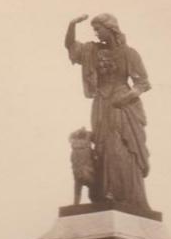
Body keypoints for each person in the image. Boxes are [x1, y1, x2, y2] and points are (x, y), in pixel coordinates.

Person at [64, 13, 152, 212]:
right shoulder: (92, 51)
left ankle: (122, 193)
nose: (96, 33)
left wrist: (127, 97)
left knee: (118, 148)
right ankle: (104, 193)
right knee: (102, 146)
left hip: (122, 106)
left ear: (110, 28)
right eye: (94, 29)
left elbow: (143, 83)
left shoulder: (130, 54)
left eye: (98, 29)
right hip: (102, 104)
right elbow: (70, 46)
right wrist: (71, 25)